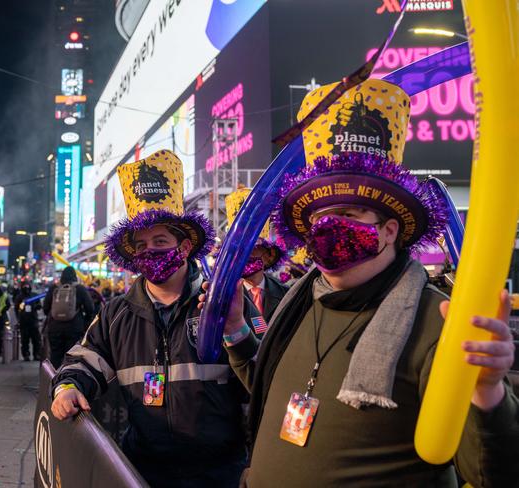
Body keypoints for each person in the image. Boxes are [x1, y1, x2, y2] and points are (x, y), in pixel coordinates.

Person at [204, 79, 519, 486]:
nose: (330, 228)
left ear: (389, 231)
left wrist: (487, 392)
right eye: (320, 217)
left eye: (349, 213)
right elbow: (276, 385)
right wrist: (234, 330)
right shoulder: (302, 302)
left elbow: (495, 471)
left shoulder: (435, 321)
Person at [50, 150, 262, 488]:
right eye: (142, 244)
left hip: (220, 473)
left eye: (161, 241)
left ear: (184, 246)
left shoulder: (225, 303)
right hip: (142, 471)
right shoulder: (117, 313)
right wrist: (68, 387)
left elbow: (262, 375)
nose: (150, 250)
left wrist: (236, 329)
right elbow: (84, 360)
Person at [226, 188, 288, 327]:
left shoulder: (286, 294)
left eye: (252, 249)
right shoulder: (224, 295)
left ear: (267, 256)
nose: (245, 256)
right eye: (239, 250)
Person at [43, 267, 95, 368]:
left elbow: (45, 308)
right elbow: (90, 308)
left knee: (55, 355)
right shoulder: (80, 289)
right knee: (72, 356)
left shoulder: (54, 288)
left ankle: (55, 379)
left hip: (55, 328)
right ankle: (68, 379)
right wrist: (85, 322)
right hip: (74, 328)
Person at [14, 282, 41, 361]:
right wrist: (19, 318)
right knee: (24, 340)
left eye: (27, 286)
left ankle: (36, 354)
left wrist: (37, 306)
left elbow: (39, 305)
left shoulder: (34, 295)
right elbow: (16, 308)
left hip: (33, 320)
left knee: (36, 339)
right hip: (24, 321)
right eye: (24, 286)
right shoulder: (19, 297)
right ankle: (26, 354)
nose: (26, 288)